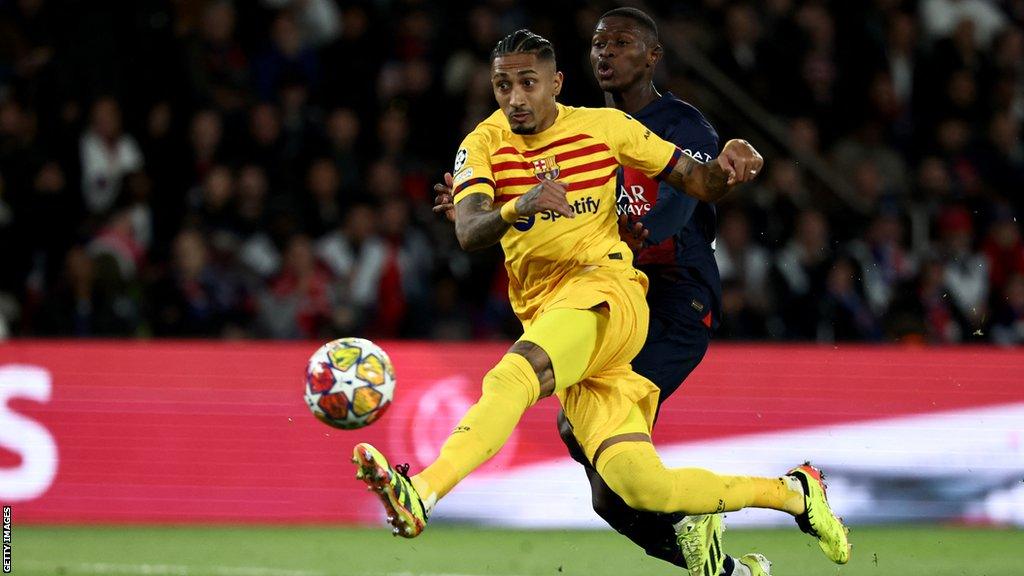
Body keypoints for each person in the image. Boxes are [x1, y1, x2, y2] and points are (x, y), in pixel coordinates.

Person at [353, 29, 849, 571]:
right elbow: (469, 230)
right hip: (556, 319)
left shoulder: (605, 128)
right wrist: (520, 205)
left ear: (556, 83)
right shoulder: (482, 143)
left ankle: (420, 492)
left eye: (527, 83)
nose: (515, 98)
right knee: (641, 485)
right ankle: (795, 493)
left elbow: (699, 182)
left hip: (608, 293)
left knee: (512, 378)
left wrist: (730, 164)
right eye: (502, 86)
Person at [433, 9, 766, 576]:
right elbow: (551, 197)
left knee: (595, 449)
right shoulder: (582, 126)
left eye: (622, 43)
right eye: (597, 43)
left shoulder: (680, 124)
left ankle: (728, 517)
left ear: (652, 56)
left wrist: (718, 174)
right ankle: (711, 553)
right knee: (606, 494)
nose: (605, 53)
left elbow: (683, 201)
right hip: (615, 290)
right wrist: (485, 202)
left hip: (674, 300)